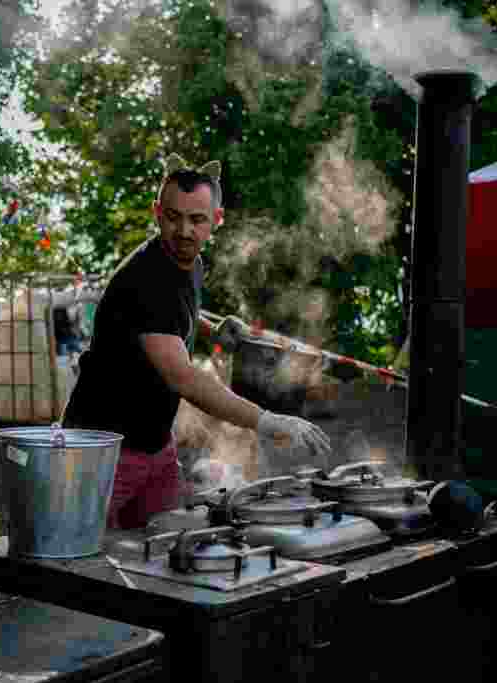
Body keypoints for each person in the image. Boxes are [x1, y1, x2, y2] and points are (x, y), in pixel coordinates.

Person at [61, 154, 332, 529]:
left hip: (155, 446)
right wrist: (265, 420)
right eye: (173, 217)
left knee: (162, 553)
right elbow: (183, 377)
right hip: (102, 449)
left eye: (197, 220)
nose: (184, 230)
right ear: (157, 212)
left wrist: (211, 327)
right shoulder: (147, 279)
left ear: (215, 221)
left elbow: (171, 315)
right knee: (82, 560)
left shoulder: (189, 263)